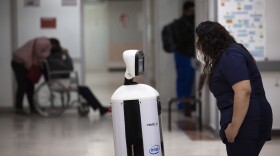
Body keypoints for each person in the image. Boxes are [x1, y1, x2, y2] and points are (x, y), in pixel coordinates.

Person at [195, 21, 273, 156]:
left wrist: (234, 127)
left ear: (208, 40)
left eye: (199, 41)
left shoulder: (230, 55)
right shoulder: (228, 54)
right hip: (248, 117)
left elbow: (243, 90)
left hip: (247, 120)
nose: (198, 46)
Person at [46, 38, 109, 116]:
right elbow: (69, 67)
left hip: (60, 81)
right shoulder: (54, 60)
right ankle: (100, 108)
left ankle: (99, 108)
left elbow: (65, 67)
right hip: (59, 83)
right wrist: (67, 56)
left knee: (84, 89)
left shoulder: (52, 59)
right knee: (84, 89)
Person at [162, 1, 196, 112]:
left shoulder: (191, 21)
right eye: (191, 11)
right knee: (183, 80)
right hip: (182, 55)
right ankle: (182, 105)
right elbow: (184, 40)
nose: (193, 13)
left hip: (189, 55)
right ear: (185, 10)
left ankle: (186, 104)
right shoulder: (181, 24)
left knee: (189, 80)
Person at [11, 37, 51, 115]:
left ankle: (33, 108)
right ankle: (18, 108)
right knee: (23, 85)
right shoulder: (32, 49)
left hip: (25, 64)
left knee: (30, 86)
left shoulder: (38, 45)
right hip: (18, 63)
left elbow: (39, 57)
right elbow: (30, 63)